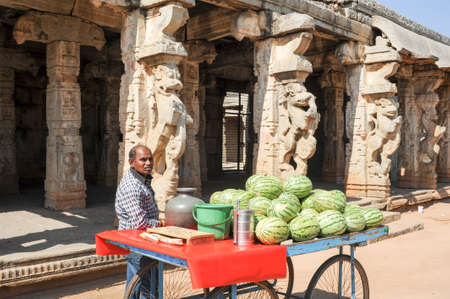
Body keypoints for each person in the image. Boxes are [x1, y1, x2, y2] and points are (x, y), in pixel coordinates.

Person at [115, 144, 162, 298]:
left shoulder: (141, 179)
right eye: (143, 160)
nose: (148, 163)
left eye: (150, 159)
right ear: (131, 162)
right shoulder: (132, 186)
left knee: (136, 283)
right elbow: (139, 222)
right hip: (137, 240)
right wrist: (159, 223)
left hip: (142, 239)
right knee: (145, 286)